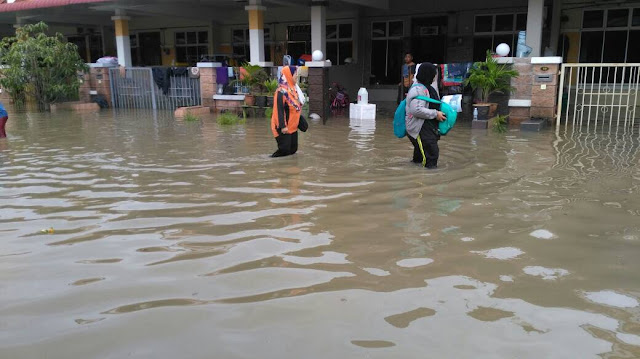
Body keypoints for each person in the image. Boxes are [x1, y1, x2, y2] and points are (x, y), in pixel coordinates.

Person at [405, 63, 446, 169]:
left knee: (420, 156)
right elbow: (416, 110)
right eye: (433, 75)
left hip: (426, 127)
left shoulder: (426, 88)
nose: (434, 77)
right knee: (431, 155)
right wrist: (435, 114)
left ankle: (415, 175)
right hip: (420, 128)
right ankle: (428, 181)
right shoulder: (419, 90)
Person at [271, 66, 302, 158]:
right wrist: (283, 126)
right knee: (284, 151)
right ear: (289, 75)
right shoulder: (281, 92)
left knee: (293, 150)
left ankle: (292, 170)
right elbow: (278, 110)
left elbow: (296, 108)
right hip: (283, 127)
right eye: (295, 74)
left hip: (293, 127)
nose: (297, 76)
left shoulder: (293, 89)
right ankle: (272, 164)